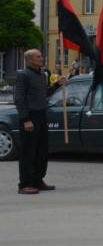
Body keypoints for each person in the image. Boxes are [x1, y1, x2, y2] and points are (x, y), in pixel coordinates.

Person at [13, 49, 60, 194]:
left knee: (42, 150)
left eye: (41, 56)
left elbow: (44, 94)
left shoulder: (41, 74)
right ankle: (25, 184)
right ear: (29, 60)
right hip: (30, 117)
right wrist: (25, 119)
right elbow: (19, 99)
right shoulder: (23, 75)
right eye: (38, 57)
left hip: (41, 115)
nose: (42, 58)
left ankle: (37, 180)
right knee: (28, 152)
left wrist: (57, 86)